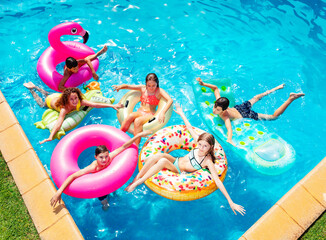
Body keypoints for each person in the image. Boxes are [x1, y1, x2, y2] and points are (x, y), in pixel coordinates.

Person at [125, 103, 245, 216]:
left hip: (177, 170)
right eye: (201, 144)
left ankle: (137, 183)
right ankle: (137, 177)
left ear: (211, 147)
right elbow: (189, 127)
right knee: (157, 156)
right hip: (175, 160)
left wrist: (230, 201)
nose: (201, 148)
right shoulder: (198, 143)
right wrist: (182, 113)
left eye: (205, 146)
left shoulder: (207, 160)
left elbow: (218, 181)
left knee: (162, 161)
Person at [50, 131, 151, 210]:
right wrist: (59, 192)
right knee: (105, 204)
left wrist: (139, 135)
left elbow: (124, 146)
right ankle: (105, 204)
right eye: (101, 157)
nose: (104, 160)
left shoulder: (110, 157)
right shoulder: (93, 167)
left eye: (106, 156)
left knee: (116, 193)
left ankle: (115, 194)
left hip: (111, 179)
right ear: (95, 157)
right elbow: (73, 176)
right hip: (99, 187)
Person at [196, 77, 305, 146]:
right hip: (240, 107)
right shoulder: (219, 101)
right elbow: (215, 88)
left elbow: (229, 128)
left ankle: (290, 99)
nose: (214, 110)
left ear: (224, 109)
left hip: (245, 114)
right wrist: (203, 83)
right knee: (257, 97)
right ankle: (278, 87)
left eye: (217, 109)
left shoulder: (225, 115)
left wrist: (229, 139)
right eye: (215, 107)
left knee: (273, 117)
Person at [23, 84, 123, 144]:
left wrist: (112, 105)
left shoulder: (80, 101)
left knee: (46, 92)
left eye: (76, 98)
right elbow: (58, 124)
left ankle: (36, 87)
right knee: (41, 103)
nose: (75, 101)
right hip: (50, 101)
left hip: (57, 96)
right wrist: (51, 136)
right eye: (72, 99)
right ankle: (32, 90)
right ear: (67, 100)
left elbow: (95, 104)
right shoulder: (64, 109)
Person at [112, 73, 173, 146]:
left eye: (153, 85)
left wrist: (162, 112)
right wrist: (120, 87)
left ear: (157, 84)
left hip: (150, 114)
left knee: (138, 121)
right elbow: (129, 86)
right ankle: (118, 136)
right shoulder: (142, 88)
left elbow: (170, 100)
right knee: (130, 116)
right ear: (146, 84)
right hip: (140, 112)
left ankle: (135, 146)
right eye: (149, 85)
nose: (151, 88)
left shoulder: (159, 91)